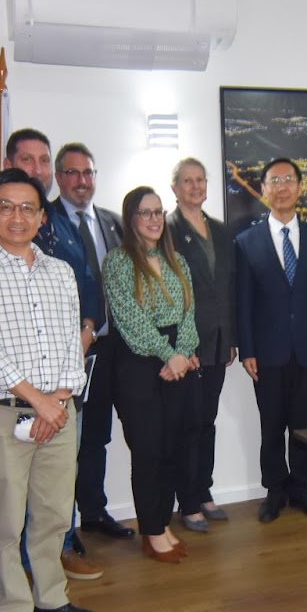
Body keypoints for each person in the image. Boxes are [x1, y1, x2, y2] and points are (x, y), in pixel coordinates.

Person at [0, 169, 99, 612]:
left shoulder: (60, 272)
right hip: (4, 412)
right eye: (6, 207)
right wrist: (39, 401)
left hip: (58, 411)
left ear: (41, 215)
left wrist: (58, 400)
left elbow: (68, 344)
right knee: (6, 521)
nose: (18, 217)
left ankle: (52, 597)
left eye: (28, 208)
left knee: (54, 514)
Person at [0, 128, 102, 581]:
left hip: (67, 380)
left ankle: (51, 570)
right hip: (18, 393)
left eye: (43, 161)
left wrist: (62, 386)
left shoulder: (60, 242)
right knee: (15, 499)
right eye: (29, 160)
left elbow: (77, 303)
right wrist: (41, 396)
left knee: (58, 484)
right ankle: (23, 582)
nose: (36, 169)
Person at [103, 186, 201, 561]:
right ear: (131, 219)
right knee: (148, 450)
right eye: (145, 213)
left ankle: (162, 521)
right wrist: (168, 354)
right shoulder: (119, 261)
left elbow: (188, 313)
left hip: (176, 363)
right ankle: (151, 531)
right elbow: (130, 319)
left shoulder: (177, 260)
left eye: (159, 212)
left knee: (173, 448)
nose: (154, 219)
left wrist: (183, 353)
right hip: (138, 365)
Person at [234, 157, 307, 522]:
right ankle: (275, 490)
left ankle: (303, 490)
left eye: (288, 179)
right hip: (268, 351)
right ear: (263, 190)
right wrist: (248, 349)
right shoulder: (246, 242)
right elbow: (243, 301)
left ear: (300, 187)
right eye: (274, 181)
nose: (282, 187)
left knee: (304, 424)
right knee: (271, 423)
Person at [49, 142, 131, 543]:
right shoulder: (45, 221)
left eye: (88, 173)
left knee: (98, 435)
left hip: (113, 346)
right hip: (72, 350)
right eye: (72, 173)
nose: (82, 181)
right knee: (69, 441)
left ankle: (94, 512)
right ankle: (64, 530)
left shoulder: (112, 221)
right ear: (58, 177)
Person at [167, 157, 236, 533]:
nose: (194, 187)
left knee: (206, 422)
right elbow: (168, 291)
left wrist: (232, 338)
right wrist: (181, 345)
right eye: (187, 181)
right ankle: (188, 501)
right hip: (187, 345)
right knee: (188, 424)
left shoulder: (221, 231)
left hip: (218, 343)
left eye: (200, 180)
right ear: (174, 188)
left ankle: (204, 490)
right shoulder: (167, 230)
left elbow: (229, 289)